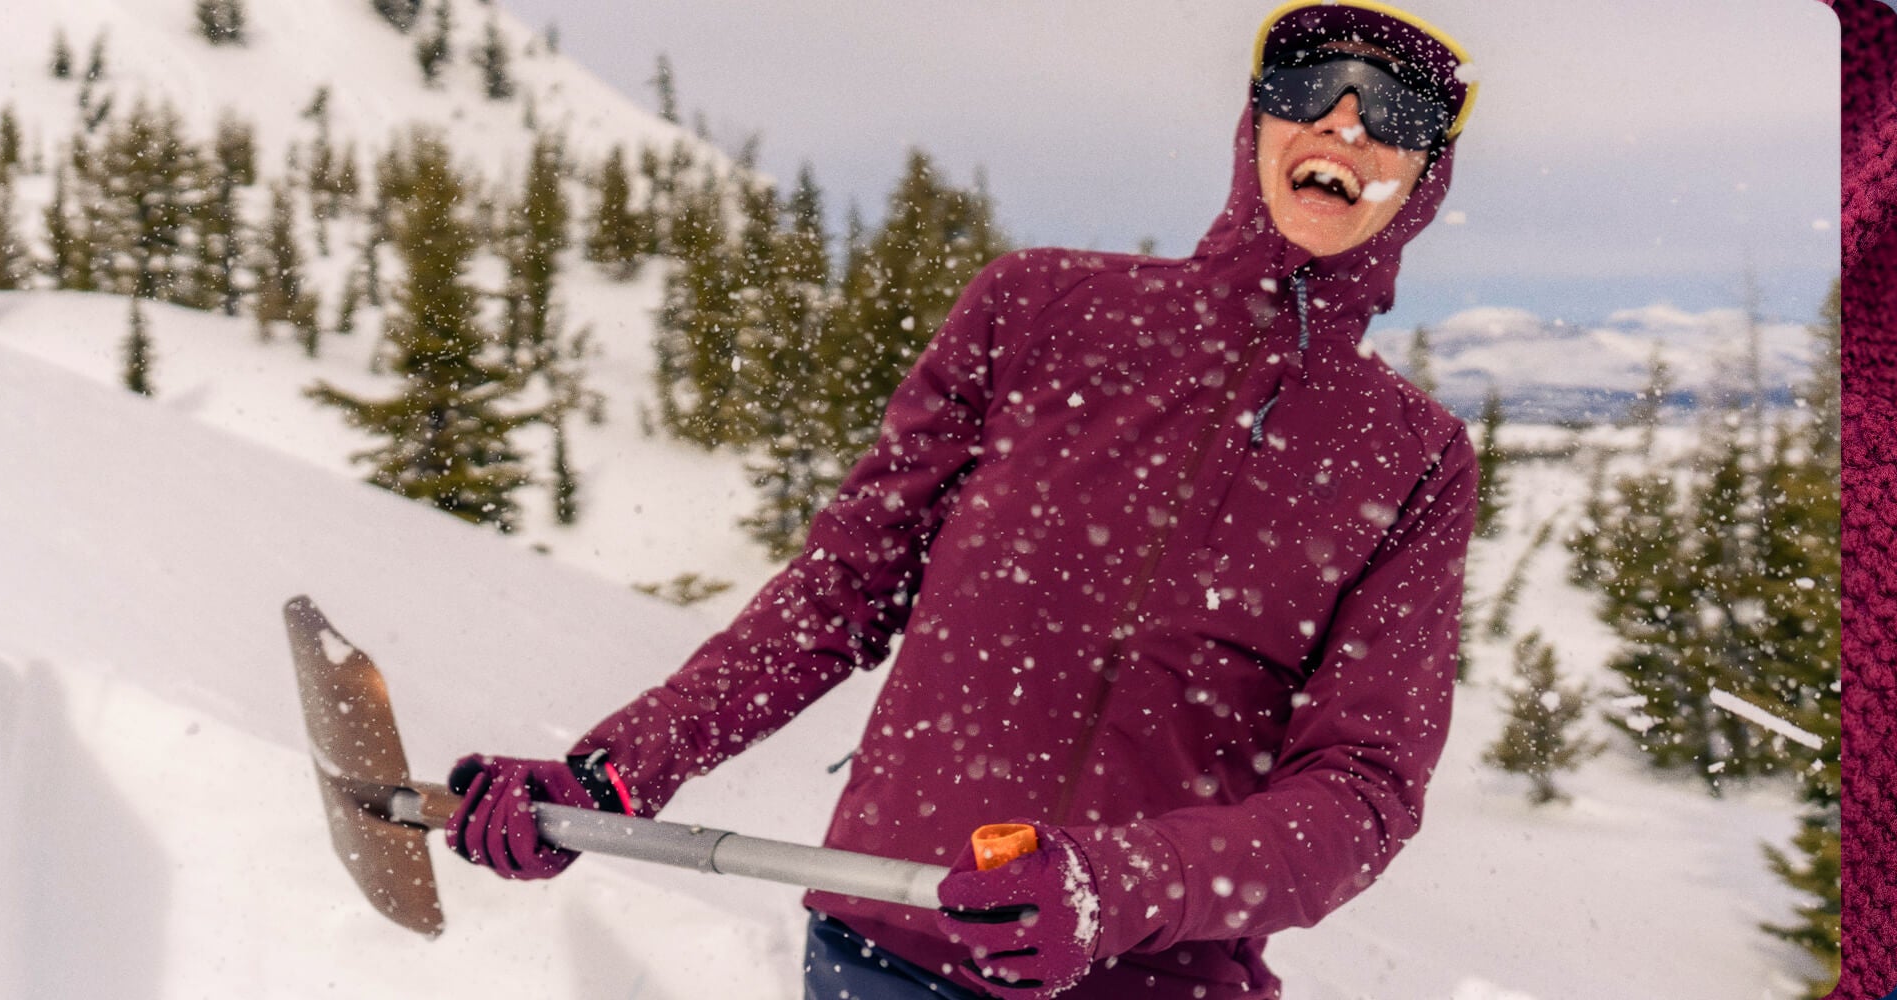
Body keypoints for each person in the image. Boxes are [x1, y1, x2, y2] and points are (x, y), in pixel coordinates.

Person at [441, 3, 1482, 997]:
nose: (1345, 120)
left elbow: (1363, 789)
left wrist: (1121, 886)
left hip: (1158, 983)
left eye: (1396, 111)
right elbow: (839, 594)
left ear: (1422, 181)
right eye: (1309, 84)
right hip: (893, 948)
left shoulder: (1412, 457)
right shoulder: (1039, 312)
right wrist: (615, 773)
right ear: (1254, 124)